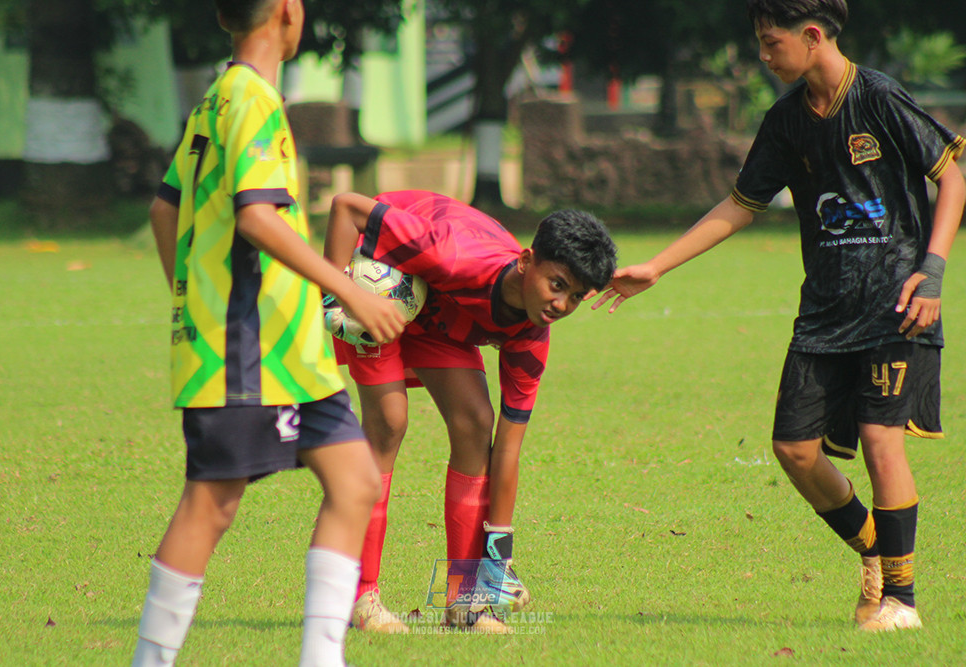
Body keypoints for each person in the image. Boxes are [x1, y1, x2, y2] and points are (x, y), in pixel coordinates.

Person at [593, 0, 964, 633]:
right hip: (823, 311)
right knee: (793, 449)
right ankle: (877, 545)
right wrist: (657, 266)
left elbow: (951, 176)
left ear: (812, 35)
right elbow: (740, 205)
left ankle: (900, 599)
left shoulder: (877, 97)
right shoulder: (786, 120)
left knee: (880, 441)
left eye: (772, 43)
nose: (764, 57)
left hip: (896, 306)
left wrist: (931, 270)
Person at [130, 1, 407, 665]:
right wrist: (348, 290)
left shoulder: (213, 102)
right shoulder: (251, 100)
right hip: (245, 350)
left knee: (355, 482)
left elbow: (164, 209)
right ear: (287, 10)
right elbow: (258, 218)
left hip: (294, 354)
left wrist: (187, 295)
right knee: (211, 502)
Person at [324, 190, 617, 633]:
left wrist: (499, 553)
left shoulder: (532, 336)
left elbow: (508, 449)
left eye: (575, 297)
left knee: (477, 425)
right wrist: (336, 291)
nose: (560, 304)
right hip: (384, 285)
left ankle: (466, 603)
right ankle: (360, 596)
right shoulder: (450, 253)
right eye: (557, 284)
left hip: (437, 314)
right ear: (526, 261)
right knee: (389, 422)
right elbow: (346, 206)